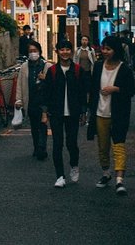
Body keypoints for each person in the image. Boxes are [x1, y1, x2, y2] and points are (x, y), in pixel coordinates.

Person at [87, 35, 135, 196]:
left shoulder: (124, 69)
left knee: (119, 145)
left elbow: (131, 90)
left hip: (118, 113)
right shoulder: (99, 66)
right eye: (104, 48)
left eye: (109, 49)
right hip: (100, 112)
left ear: (116, 50)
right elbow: (93, 89)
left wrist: (116, 89)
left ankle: (119, 179)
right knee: (103, 146)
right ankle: (106, 173)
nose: (105, 51)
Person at [41, 39, 87, 188]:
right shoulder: (53, 71)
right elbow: (46, 93)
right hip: (56, 112)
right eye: (62, 49)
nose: (65, 52)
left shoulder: (78, 70)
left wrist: (83, 111)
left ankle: (74, 165)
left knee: (71, 143)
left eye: (67, 49)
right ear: (57, 52)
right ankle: (60, 175)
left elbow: (82, 93)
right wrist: (45, 112)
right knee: (57, 144)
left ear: (71, 51)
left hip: (73, 113)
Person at [15, 41, 52, 160]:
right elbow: (20, 84)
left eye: (35, 51)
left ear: (39, 52)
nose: (33, 53)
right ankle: (36, 146)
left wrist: (45, 78)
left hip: (43, 100)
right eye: (30, 51)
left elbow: (54, 83)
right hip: (30, 100)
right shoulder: (24, 67)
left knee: (42, 124)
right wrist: (18, 99)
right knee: (34, 126)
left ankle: (42, 148)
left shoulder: (47, 66)